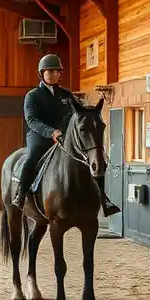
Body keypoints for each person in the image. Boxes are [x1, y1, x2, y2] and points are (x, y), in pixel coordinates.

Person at [12, 54, 120, 216]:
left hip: (65, 136)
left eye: (57, 71)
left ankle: (104, 199)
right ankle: (21, 195)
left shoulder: (66, 95)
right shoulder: (33, 96)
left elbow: (76, 115)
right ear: (42, 73)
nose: (55, 74)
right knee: (32, 157)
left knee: (94, 159)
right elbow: (31, 120)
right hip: (40, 136)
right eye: (50, 71)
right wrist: (51, 132)